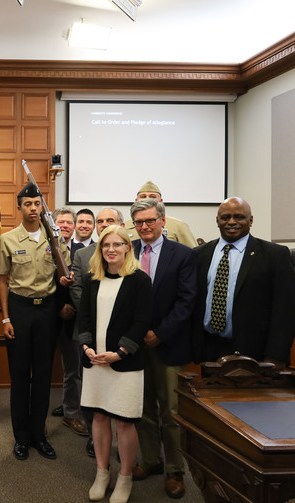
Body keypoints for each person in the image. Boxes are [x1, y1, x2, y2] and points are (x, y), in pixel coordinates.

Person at [76, 225, 152, 503]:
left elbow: (142, 320)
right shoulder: (92, 278)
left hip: (124, 363)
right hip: (95, 361)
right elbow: (83, 317)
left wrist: (119, 353)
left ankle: (125, 477)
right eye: (106, 245)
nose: (111, 249)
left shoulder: (139, 280)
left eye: (117, 244)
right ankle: (102, 472)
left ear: (127, 247)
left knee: (123, 422)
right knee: (98, 416)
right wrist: (87, 347)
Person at [0, 183, 69, 461]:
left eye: (37, 204)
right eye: (28, 204)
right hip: (20, 311)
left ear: (42, 207)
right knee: (20, 376)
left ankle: (39, 435)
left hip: (47, 311)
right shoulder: (8, 239)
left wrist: (64, 279)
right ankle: (21, 438)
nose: (33, 208)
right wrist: (6, 318)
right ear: (20, 207)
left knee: (43, 377)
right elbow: (2, 279)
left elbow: (64, 273)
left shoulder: (54, 238)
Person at [129, 198, 196, 499]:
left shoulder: (182, 254)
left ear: (162, 221)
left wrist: (160, 333)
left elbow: (187, 301)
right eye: (139, 222)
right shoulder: (126, 250)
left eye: (150, 221)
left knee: (170, 412)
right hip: (134, 346)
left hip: (168, 345)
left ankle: (174, 470)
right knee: (142, 409)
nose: (144, 226)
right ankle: (151, 460)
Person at [193, 197, 295, 366]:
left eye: (239, 217)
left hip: (256, 352)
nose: (231, 222)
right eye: (225, 217)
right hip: (208, 349)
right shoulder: (199, 255)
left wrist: (275, 355)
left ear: (251, 220)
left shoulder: (275, 255)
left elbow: (285, 310)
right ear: (217, 220)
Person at [70, 207, 125, 458]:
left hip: (122, 334)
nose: (103, 225)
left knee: (121, 388)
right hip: (90, 331)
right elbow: (77, 290)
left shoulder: (127, 251)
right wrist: (96, 315)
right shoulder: (82, 255)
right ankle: (95, 437)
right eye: (100, 221)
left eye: (109, 220)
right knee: (91, 387)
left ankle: (124, 439)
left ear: (121, 224)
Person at [51, 207, 88, 437]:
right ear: (52, 224)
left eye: (68, 223)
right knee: (43, 368)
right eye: (60, 222)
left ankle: (71, 412)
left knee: (73, 369)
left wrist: (71, 308)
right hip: (46, 316)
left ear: (73, 227)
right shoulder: (43, 247)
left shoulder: (82, 252)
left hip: (71, 319)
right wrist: (57, 307)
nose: (64, 226)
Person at [124, 181, 197, 248]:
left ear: (161, 201)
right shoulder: (124, 227)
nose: (147, 199)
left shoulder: (178, 226)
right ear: (136, 201)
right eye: (143, 196)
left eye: (152, 197)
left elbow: (193, 253)